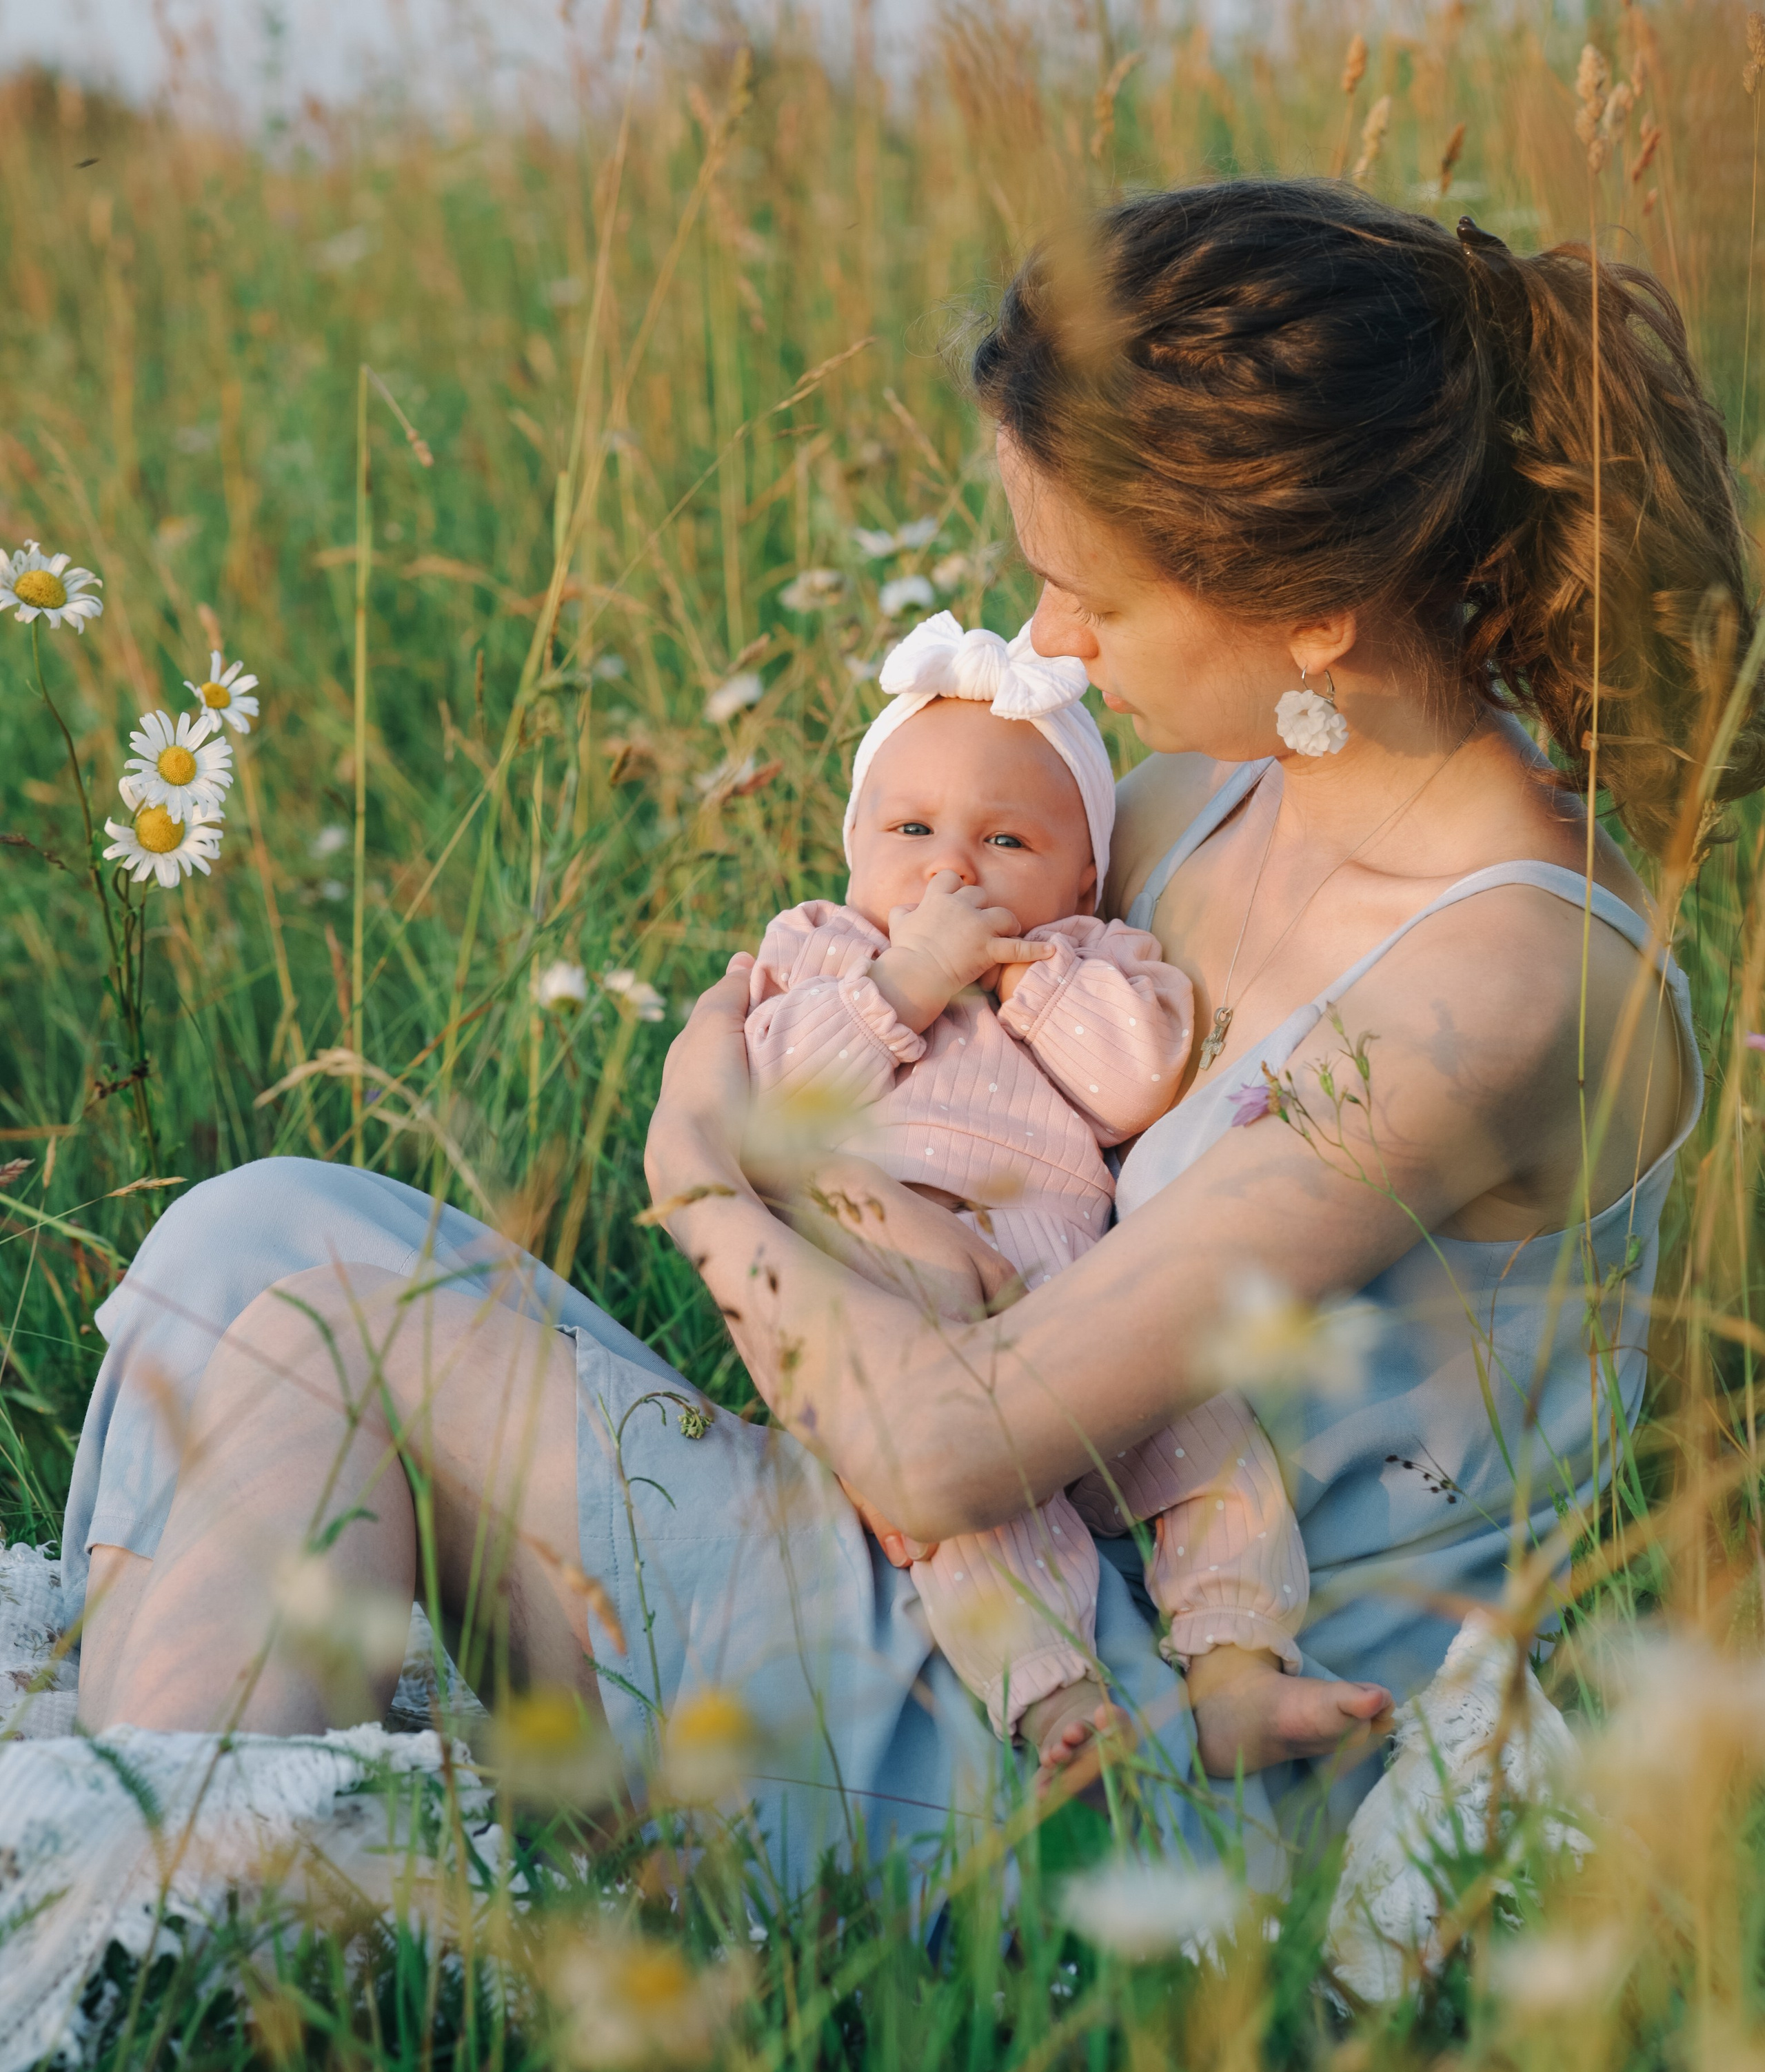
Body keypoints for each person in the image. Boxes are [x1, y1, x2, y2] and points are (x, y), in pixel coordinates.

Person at [65, 183, 1748, 1891]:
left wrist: (702, 1175)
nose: (1046, 646)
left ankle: (168, 1929)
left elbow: (946, 1449)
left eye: (1089, 596)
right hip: (964, 1583)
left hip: (1151, 1748)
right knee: (257, 1243)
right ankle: (178, 1885)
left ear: (1313, 608)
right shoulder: (1186, 804)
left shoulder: (1511, 982)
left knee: (316, 1309)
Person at [744, 607, 1313, 1776]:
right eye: (911, 829)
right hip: (892, 1283)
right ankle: (1053, 1694)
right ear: (853, 844)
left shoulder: (1091, 961)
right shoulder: (827, 949)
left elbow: (1137, 1082)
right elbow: (775, 1095)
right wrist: (907, 981)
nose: (951, 867)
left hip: (1080, 1291)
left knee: (1213, 1441)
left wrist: (1028, 978)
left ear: (1083, 877)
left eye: (1006, 842)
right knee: (972, 1506)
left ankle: (1239, 1669)